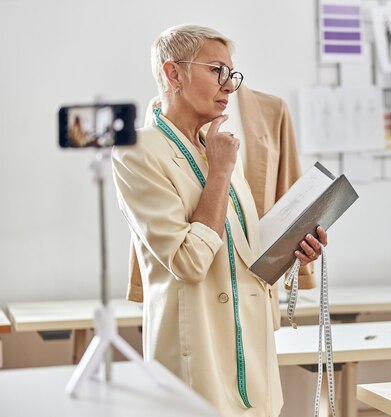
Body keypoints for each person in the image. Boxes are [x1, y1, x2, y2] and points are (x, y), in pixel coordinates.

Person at [112, 24, 327, 416]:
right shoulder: (137, 153)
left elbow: (246, 253)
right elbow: (188, 262)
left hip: (254, 363)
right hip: (196, 366)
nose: (230, 85)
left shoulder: (217, 148)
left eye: (233, 74)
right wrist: (220, 174)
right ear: (174, 73)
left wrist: (295, 252)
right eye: (217, 71)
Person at [127, 82, 315, 330]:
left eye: (227, 69)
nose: (226, 82)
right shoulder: (165, 110)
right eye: (215, 69)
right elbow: (153, 209)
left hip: (258, 289)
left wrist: (300, 249)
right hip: (200, 290)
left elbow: (288, 195)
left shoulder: (273, 109)